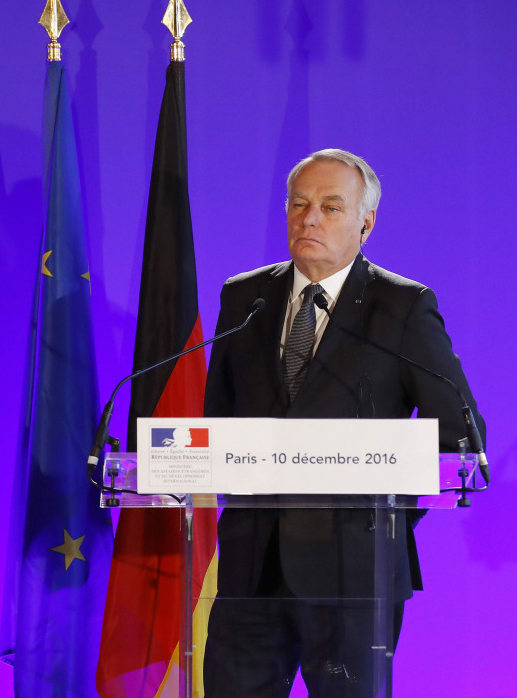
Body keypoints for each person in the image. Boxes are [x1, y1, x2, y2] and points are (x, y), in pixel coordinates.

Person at [202, 149, 484, 698]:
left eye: (331, 207)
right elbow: (220, 424)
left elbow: (461, 436)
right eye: (299, 204)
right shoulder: (244, 299)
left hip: (355, 576)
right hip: (250, 571)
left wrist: (380, 521)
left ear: (366, 222)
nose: (309, 219)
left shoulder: (401, 307)